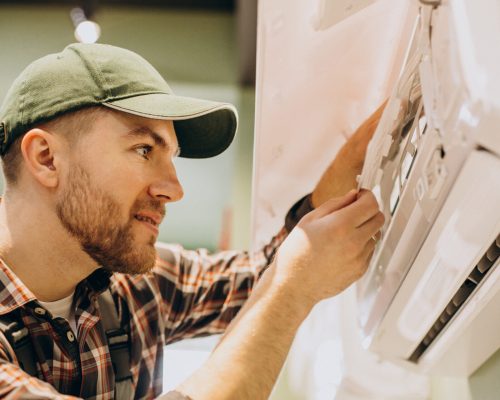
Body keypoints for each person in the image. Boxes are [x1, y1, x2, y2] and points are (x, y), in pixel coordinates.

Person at [0, 43, 385, 400]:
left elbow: (261, 278)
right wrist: (292, 292)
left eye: (172, 158)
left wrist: (354, 161)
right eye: (144, 149)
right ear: (47, 158)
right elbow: (281, 284)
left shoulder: (132, 287)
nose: (175, 189)